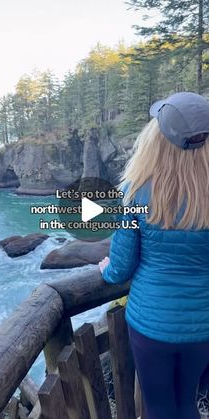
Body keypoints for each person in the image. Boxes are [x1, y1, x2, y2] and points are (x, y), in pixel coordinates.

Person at [99, 92, 209, 419]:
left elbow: (120, 269)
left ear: (155, 139)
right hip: (203, 324)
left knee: (159, 406)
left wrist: (105, 269)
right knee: (187, 400)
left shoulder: (136, 191)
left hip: (151, 324)